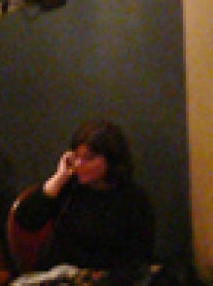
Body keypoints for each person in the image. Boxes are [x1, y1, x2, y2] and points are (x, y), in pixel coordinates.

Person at [13, 120, 154, 285]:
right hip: (60, 277)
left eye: (89, 158)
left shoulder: (133, 199)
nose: (79, 164)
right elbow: (26, 220)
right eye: (76, 157)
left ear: (111, 160)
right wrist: (59, 177)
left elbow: (138, 259)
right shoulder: (68, 187)